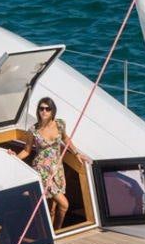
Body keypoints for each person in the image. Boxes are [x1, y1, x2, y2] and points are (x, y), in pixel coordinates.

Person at [8, 97, 86, 230]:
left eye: (47, 109)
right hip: (43, 171)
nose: (44, 111)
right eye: (41, 108)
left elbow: (66, 139)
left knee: (52, 208)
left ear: (52, 111)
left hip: (57, 171)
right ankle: (58, 230)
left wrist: (76, 153)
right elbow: (27, 151)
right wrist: (14, 158)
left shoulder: (60, 124)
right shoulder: (33, 130)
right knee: (64, 204)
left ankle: (52, 232)